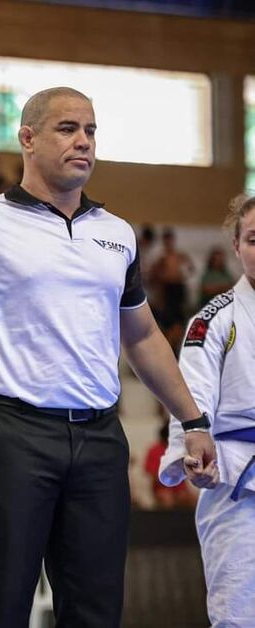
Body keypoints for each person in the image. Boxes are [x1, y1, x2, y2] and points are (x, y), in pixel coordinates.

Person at [0, 85, 218, 627]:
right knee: (2, 609)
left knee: (96, 614)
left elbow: (143, 335)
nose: (84, 141)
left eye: (91, 130)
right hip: (11, 436)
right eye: (68, 128)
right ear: (27, 138)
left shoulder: (118, 234)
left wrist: (191, 418)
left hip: (101, 440)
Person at [158, 194, 255, 626]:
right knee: (238, 614)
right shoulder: (213, 319)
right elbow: (190, 394)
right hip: (237, 480)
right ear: (236, 247)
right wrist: (194, 452)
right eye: (254, 238)